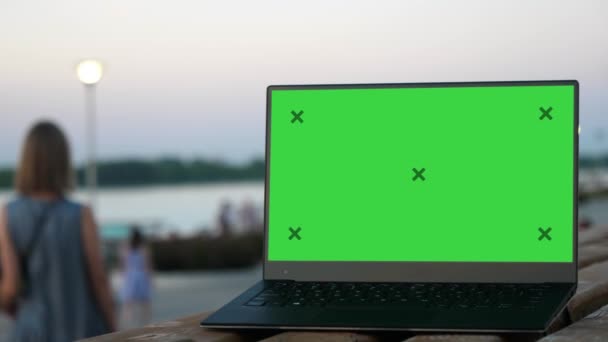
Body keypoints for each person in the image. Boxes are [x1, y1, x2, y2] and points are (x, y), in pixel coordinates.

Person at [0, 121, 115, 341]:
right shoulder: (81, 214)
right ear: (63, 160)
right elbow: (99, 279)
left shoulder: (9, 213)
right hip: (83, 328)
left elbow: (10, 288)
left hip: (32, 331)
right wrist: (114, 328)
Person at [120, 227, 153, 328]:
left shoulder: (126, 248)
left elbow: (124, 264)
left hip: (130, 276)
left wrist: (124, 277)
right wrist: (150, 279)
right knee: (145, 302)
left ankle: (128, 323)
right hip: (141, 275)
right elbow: (147, 265)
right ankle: (145, 323)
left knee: (128, 302)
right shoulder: (144, 249)